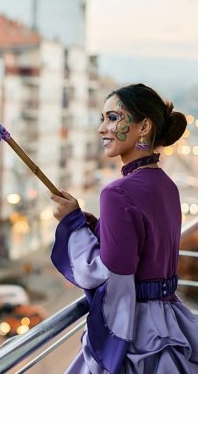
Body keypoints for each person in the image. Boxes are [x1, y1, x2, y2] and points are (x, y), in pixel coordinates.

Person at [48, 83, 198, 374]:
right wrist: (94, 225)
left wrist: (72, 225)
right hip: (170, 321)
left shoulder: (117, 193)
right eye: (102, 119)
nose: (102, 128)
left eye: (113, 118)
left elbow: (104, 274)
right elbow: (142, 247)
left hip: (137, 331)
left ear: (143, 126)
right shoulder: (166, 185)